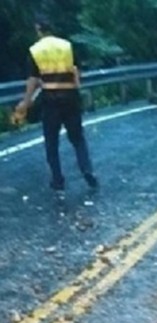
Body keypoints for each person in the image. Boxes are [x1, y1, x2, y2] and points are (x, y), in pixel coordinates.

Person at [13, 17, 97, 193]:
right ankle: (87, 170)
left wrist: (26, 102)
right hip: (70, 97)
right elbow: (76, 71)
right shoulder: (67, 46)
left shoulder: (35, 50)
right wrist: (77, 91)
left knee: (52, 142)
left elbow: (33, 80)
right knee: (78, 138)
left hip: (50, 100)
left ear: (38, 30)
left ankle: (58, 180)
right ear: (52, 29)